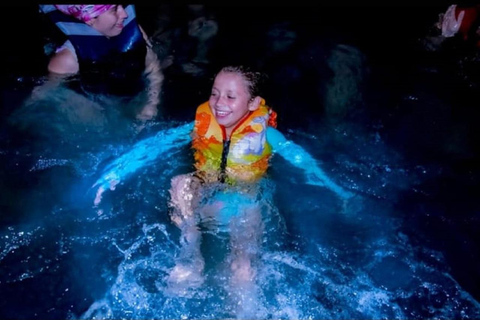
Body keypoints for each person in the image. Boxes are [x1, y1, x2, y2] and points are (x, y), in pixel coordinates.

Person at [92, 65, 354, 302]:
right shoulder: (201, 125)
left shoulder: (267, 136)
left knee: (243, 266)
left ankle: (240, 307)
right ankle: (190, 256)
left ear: (253, 104)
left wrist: (339, 192)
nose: (219, 103)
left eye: (230, 96)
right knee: (180, 183)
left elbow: (304, 162)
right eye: (215, 93)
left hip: (244, 201)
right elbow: (155, 145)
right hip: (205, 194)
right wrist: (113, 176)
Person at [36, 4, 163, 122]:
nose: (124, 14)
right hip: (90, 104)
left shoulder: (132, 29)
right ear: (90, 19)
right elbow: (45, 95)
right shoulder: (67, 60)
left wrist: (151, 104)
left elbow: (153, 68)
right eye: (114, 10)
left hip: (129, 91)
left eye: (122, 5)